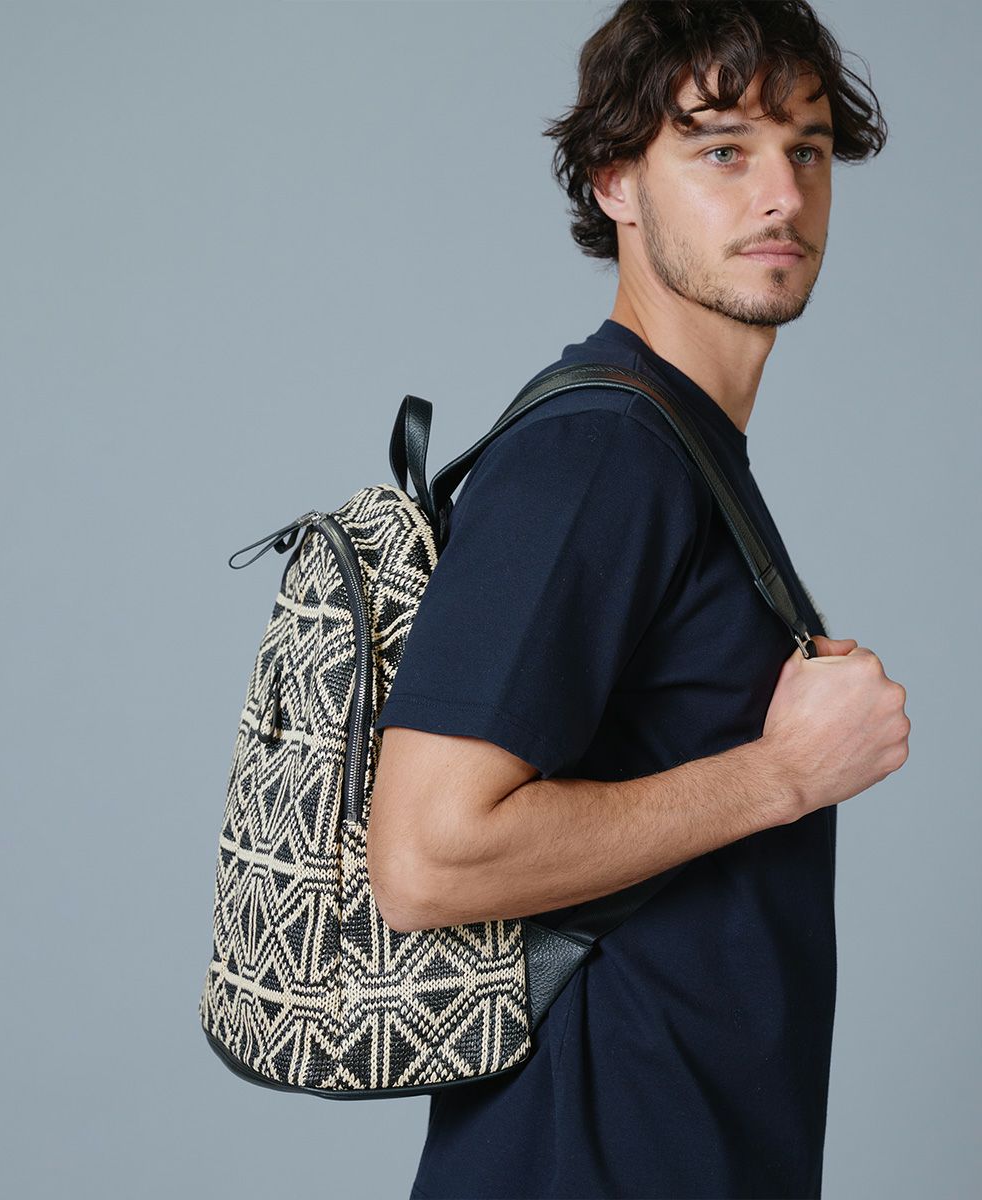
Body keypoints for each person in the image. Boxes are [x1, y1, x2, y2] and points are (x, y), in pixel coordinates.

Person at [368, 2, 909, 1197]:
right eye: (722, 150)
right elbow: (423, 858)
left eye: (806, 149)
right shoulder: (598, 455)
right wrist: (784, 773)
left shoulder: (678, 449)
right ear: (615, 180)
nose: (782, 195)